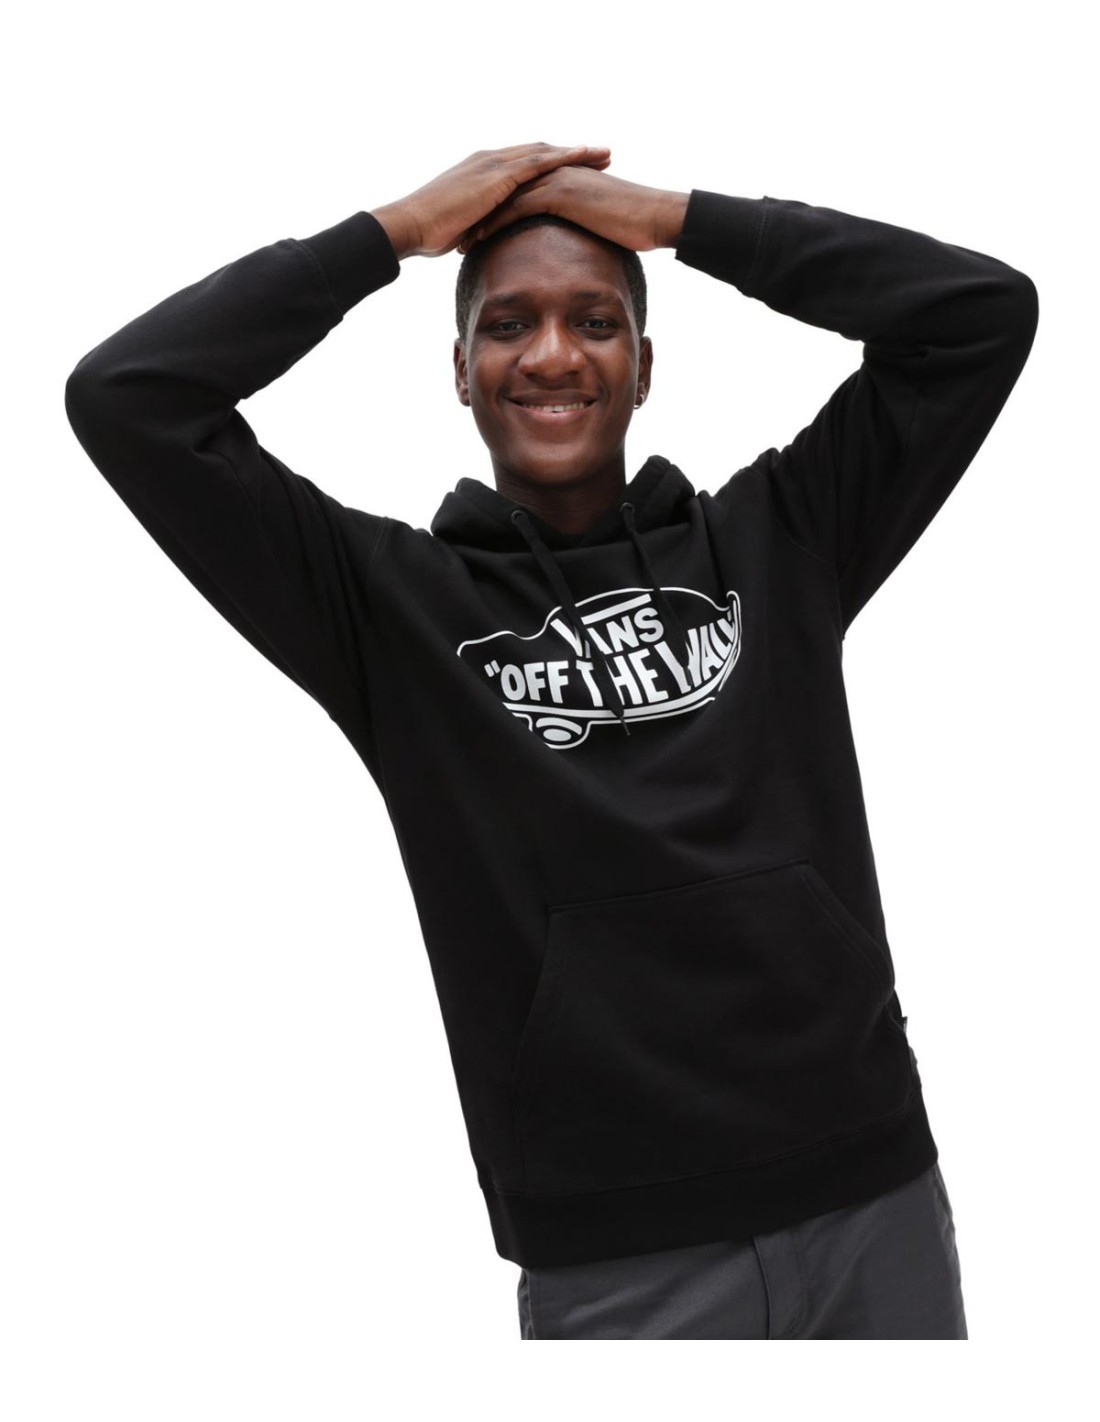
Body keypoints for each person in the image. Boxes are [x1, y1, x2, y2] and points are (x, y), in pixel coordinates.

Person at [64, 143, 1038, 1339]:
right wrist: (395, 231)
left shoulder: (782, 538)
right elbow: (129, 398)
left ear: (642, 365)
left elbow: (977, 316)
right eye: (505, 324)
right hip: (616, 1252)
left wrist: (678, 219)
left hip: (873, 1193)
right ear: (460, 372)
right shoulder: (384, 610)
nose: (551, 355)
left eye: (594, 320)